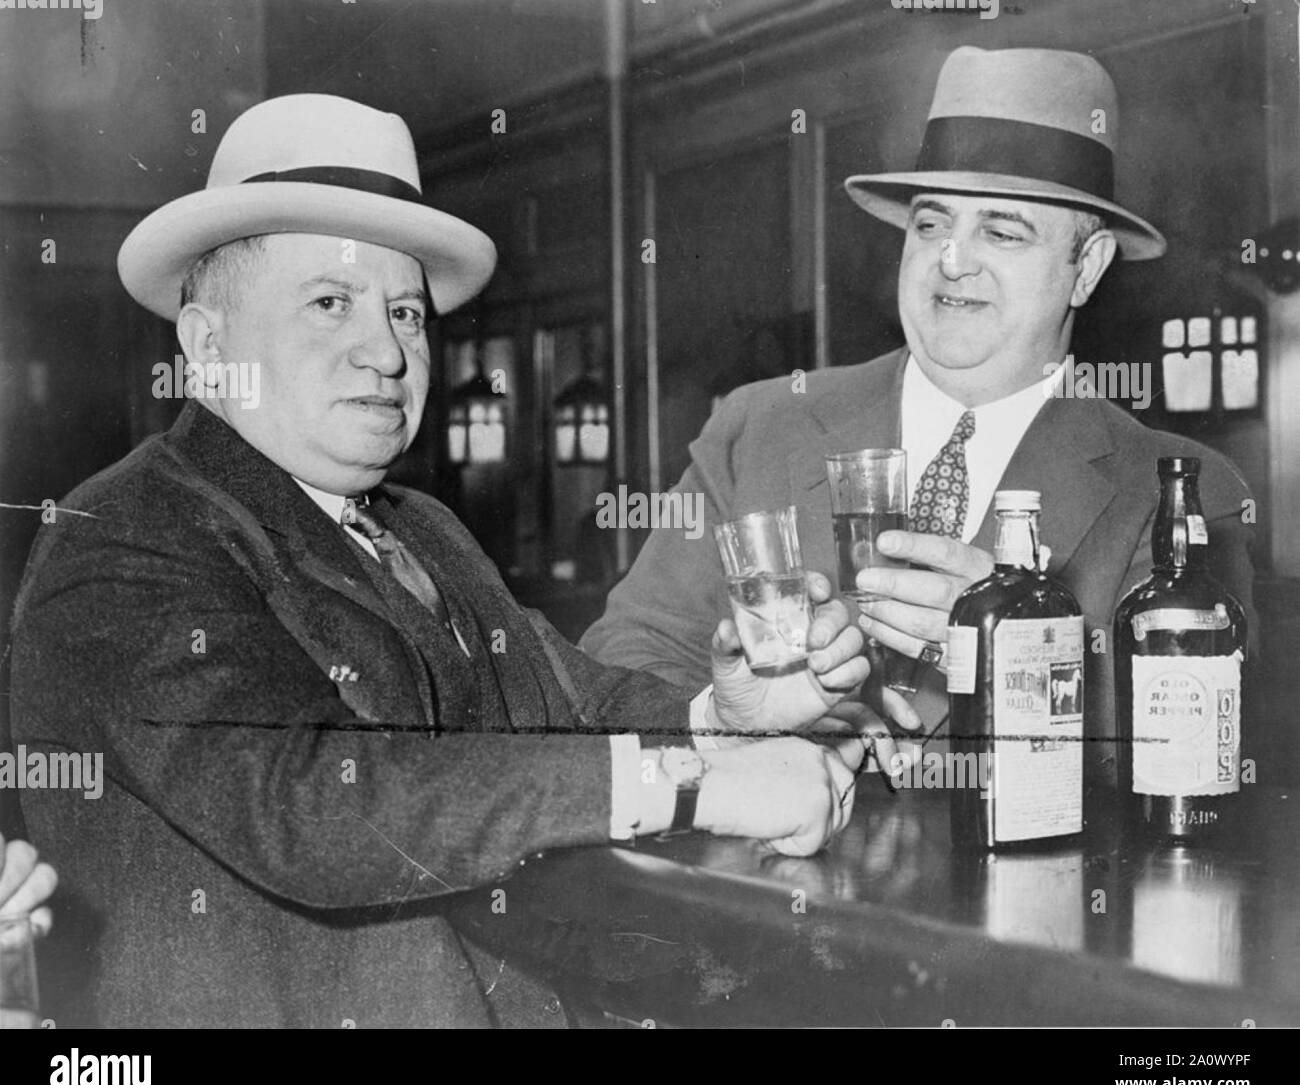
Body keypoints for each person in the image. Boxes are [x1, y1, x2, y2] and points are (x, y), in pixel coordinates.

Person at [8, 94, 882, 1028]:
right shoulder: (126, 532)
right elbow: (313, 801)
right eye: (330, 303)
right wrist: (697, 786)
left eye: (406, 313)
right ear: (207, 347)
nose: (386, 351)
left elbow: (566, 706)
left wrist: (720, 716)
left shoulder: (418, 524)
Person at [581, 46, 1258, 786]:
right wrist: (738, 724)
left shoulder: (1177, 491)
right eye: (932, 225)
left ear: (1087, 266)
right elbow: (617, 665)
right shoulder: (759, 426)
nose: (953, 260)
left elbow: (1197, 750)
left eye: (1001, 232)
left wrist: (1016, 664)